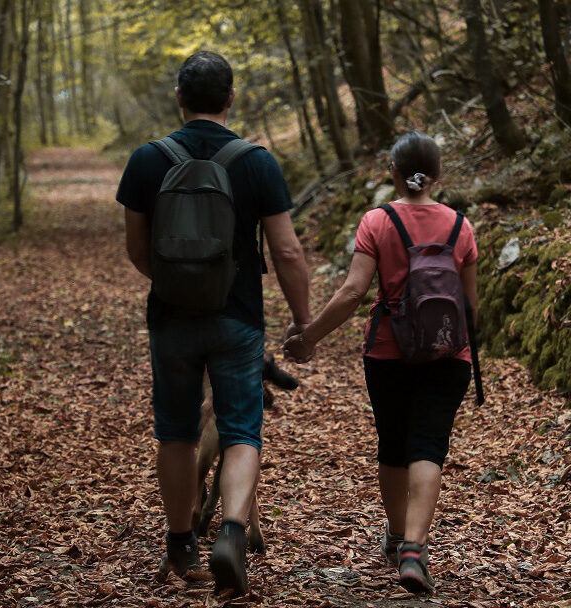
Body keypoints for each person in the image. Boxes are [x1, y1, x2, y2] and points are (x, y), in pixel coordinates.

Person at [116, 51, 311, 594]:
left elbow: (136, 247)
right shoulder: (257, 162)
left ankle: (181, 541)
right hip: (240, 320)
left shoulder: (146, 160)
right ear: (231, 99)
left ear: (179, 98)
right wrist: (303, 322)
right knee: (242, 429)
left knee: (176, 431)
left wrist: (175, 283)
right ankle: (229, 531)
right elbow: (289, 252)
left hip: (171, 319)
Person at [284, 132, 478, 594]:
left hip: (389, 351)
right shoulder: (462, 227)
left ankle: (395, 539)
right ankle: (416, 547)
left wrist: (308, 337)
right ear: (438, 176)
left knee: (393, 445)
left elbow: (353, 292)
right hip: (451, 354)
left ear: (392, 171)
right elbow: (470, 307)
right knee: (428, 446)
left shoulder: (378, 220)